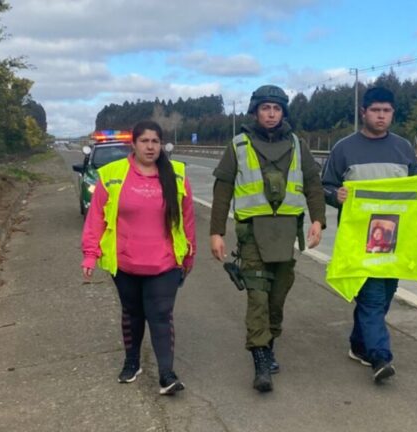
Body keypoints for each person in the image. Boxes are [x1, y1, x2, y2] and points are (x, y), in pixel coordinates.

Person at [210, 84, 326, 392]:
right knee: (258, 298)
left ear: (283, 113)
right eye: (265, 108)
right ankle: (260, 361)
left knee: (277, 299)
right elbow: (222, 191)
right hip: (252, 237)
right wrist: (216, 232)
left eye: (276, 109)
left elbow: (313, 185)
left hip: (287, 236)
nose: (271, 114)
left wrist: (318, 221)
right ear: (255, 111)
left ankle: (268, 342)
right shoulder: (239, 145)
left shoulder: (298, 145)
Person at [322, 86, 417, 383]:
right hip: (362, 241)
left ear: (393, 113)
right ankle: (380, 357)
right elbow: (325, 186)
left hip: (396, 240)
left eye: (387, 111)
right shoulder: (344, 148)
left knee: (386, 295)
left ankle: (359, 345)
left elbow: (416, 186)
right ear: (364, 112)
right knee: (372, 298)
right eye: (376, 110)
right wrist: (337, 195)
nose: (381, 116)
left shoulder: (403, 148)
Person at [81, 120, 196, 396]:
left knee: (160, 314)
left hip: (165, 262)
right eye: (144, 141)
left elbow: (187, 218)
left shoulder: (176, 174)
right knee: (132, 314)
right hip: (125, 262)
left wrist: (189, 253)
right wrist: (90, 253)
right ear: (133, 144)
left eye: (155, 141)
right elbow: (95, 217)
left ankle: (166, 374)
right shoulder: (112, 173)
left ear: (161, 145)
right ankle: (132, 361)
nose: (150, 146)